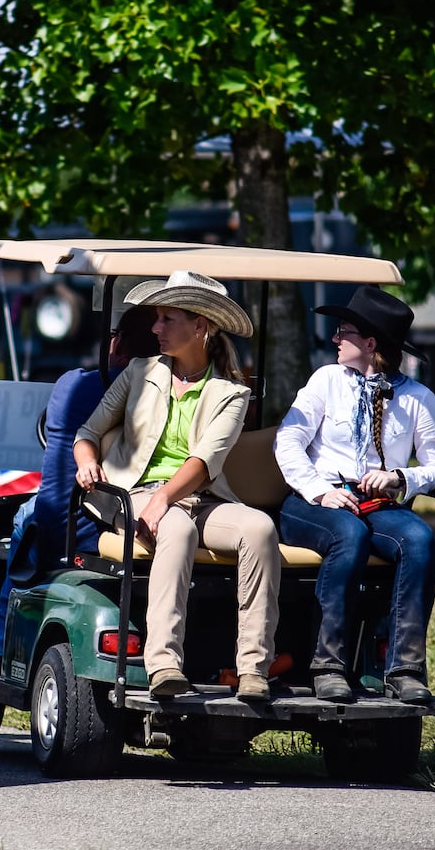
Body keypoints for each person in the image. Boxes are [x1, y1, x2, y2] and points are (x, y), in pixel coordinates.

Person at [73, 271, 279, 702]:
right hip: (137, 494)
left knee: (259, 527)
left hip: (195, 497)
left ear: (200, 327)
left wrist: (166, 499)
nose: (155, 328)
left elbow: (206, 462)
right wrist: (88, 462)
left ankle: (254, 669)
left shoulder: (231, 393)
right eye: (157, 318)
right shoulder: (139, 371)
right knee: (178, 529)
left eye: (167, 319)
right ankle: (164, 664)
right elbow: (88, 432)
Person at [273, 286, 435, 705]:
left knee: (420, 539)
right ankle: (328, 665)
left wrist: (399, 477)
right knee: (347, 533)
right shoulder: (326, 380)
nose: (335, 338)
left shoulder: (416, 398)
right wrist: (320, 492)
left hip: (377, 505)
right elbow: (288, 441)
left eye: (344, 331)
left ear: (370, 343)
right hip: (313, 502)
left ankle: (406, 669)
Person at [0, 305, 161, 676]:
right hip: (132, 513)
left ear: (118, 344)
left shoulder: (77, 385)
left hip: (77, 523)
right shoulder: (176, 390)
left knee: (23, 516)